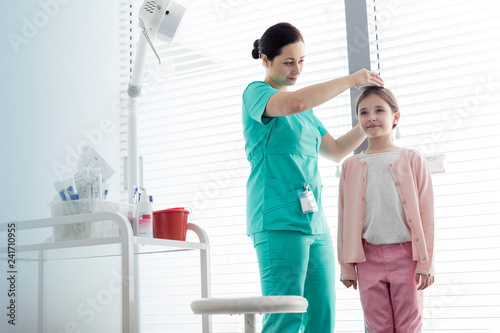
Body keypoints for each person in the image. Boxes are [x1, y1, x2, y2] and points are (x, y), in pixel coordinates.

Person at [241, 22, 384, 332]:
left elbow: (334, 150)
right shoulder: (258, 93)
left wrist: (371, 121)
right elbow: (296, 101)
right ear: (266, 60)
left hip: (313, 221)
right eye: (288, 62)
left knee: (322, 315)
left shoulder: (306, 113)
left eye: (302, 61)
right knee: (285, 314)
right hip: (277, 218)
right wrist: (350, 80)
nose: (297, 70)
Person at [337, 86, 435, 332]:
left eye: (379, 110)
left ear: (395, 117)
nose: (371, 117)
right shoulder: (350, 166)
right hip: (367, 258)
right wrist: (347, 265)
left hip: (407, 257)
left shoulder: (413, 159)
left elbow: (427, 216)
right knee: (376, 326)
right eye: (363, 112)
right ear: (357, 120)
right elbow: (344, 220)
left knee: (409, 325)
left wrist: (426, 263)